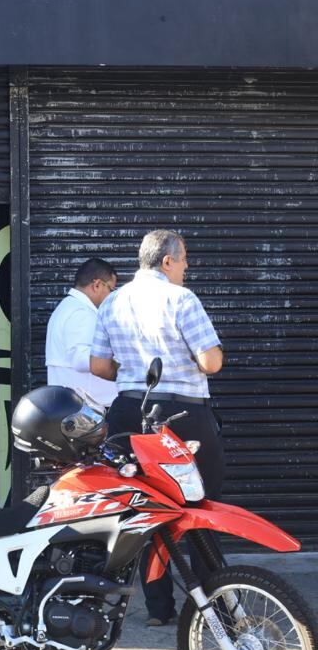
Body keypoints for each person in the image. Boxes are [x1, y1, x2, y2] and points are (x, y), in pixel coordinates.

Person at [90, 230, 225, 626]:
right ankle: (216, 608)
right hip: (181, 416)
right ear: (167, 261)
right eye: (183, 260)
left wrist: (131, 370)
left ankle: (158, 610)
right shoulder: (181, 298)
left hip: (128, 412)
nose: (186, 268)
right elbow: (211, 362)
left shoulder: (113, 300)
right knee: (203, 508)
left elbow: (99, 366)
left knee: (147, 509)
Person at [46, 258, 119, 406]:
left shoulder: (69, 307)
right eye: (111, 290)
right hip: (86, 408)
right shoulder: (81, 313)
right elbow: (81, 359)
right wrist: (118, 363)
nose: (112, 297)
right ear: (97, 285)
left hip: (76, 405)